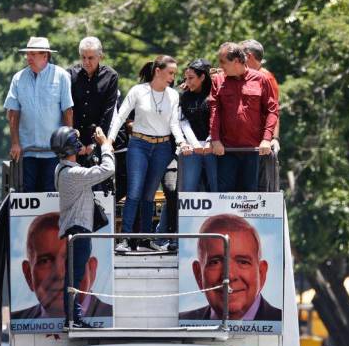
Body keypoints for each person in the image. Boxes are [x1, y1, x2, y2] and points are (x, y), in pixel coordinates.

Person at [107, 55, 192, 252]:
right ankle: (126, 239)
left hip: (162, 147)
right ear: (157, 71)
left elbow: (173, 124)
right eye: (170, 72)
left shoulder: (173, 95)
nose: (173, 77)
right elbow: (120, 116)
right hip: (139, 144)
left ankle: (145, 239)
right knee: (134, 191)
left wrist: (181, 142)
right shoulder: (139, 91)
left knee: (149, 195)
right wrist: (110, 140)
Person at [50, 125, 115, 327]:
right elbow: (108, 169)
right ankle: (73, 318)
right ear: (72, 147)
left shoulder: (61, 169)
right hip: (78, 230)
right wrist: (105, 146)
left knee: (75, 275)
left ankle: (73, 317)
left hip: (74, 229)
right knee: (75, 275)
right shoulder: (73, 174)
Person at [11, 212, 113, 320]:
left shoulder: (113, 317)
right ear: (28, 275)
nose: (60, 273)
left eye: (72, 258)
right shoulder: (18, 319)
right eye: (45, 261)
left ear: (92, 270)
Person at [180, 213, 281, 321]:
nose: (229, 276)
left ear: (261, 274)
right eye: (215, 262)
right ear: (198, 275)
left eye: (243, 262)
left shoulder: (285, 322)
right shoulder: (182, 321)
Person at [4, 36, 74, 193]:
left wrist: (69, 147)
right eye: (28, 54)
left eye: (33, 54)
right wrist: (15, 143)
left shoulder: (61, 76)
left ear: (45, 55)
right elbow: (13, 112)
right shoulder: (18, 78)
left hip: (53, 153)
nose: (28, 58)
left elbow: (67, 111)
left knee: (50, 196)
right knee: (28, 196)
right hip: (27, 152)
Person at [209, 42, 278, 193]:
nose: (220, 65)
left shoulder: (262, 79)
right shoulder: (218, 80)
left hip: (253, 150)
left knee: (249, 195)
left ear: (236, 61)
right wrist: (215, 140)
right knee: (224, 194)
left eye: (223, 62)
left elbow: (272, 111)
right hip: (226, 150)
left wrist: (267, 139)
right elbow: (215, 111)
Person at [67, 37, 119, 157]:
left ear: (100, 56)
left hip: (98, 138)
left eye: (90, 58)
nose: (86, 62)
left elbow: (108, 113)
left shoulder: (111, 76)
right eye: (83, 57)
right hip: (74, 139)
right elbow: (67, 109)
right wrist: (75, 142)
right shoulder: (69, 74)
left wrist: (95, 144)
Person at [178, 59, 217, 192]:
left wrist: (209, 141)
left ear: (202, 77)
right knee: (188, 189)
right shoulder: (184, 97)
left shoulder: (214, 95)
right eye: (185, 78)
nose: (187, 82)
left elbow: (217, 120)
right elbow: (183, 121)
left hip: (212, 148)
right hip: (192, 149)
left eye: (191, 78)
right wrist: (195, 144)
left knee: (216, 188)